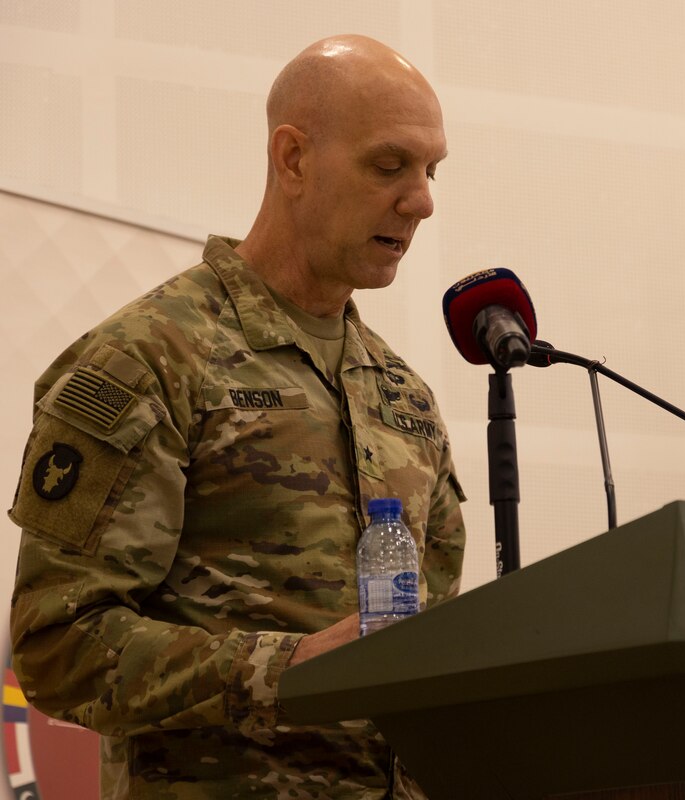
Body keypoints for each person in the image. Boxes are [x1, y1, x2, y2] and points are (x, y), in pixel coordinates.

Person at [8, 35, 465, 799]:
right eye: (389, 166)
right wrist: (282, 670)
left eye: (431, 171)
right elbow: (58, 646)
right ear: (293, 159)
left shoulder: (404, 397)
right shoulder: (149, 359)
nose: (421, 200)